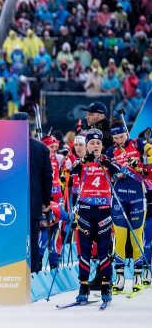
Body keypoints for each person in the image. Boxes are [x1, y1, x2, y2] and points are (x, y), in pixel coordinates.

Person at [70, 129, 120, 303]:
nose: (95, 145)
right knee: (84, 252)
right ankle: (83, 286)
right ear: (87, 146)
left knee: (103, 251)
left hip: (104, 211)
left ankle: (107, 284)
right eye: (92, 143)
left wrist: (106, 162)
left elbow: (119, 172)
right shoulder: (82, 162)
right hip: (85, 210)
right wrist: (85, 160)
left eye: (98, 143)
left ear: (102, 146)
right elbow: (71, 171)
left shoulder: (107, 161)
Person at [105, 119, 150, 293]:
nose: (119, 140)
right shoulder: (111, 150)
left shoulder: (138, 143)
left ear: (127, 133)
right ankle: (120, 278)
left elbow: (151, 153)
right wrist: (117, 174)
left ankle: (138, 277)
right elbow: (108, 173)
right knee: (121, 237)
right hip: (119, 196)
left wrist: (141, 162)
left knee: (136, 236)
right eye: (116, 138)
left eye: (122, 136)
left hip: (138, 195)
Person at [11, 112, 53, 272]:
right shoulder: (40, 147)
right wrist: (46, 201)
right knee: (32, 238)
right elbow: (47, 176)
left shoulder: (4, 146)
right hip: (33, 201)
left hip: (11, 201)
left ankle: (14, 270)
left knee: (14, 236)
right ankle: (33, 270)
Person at [38, 135, 68, 270]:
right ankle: (37, 262)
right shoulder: (40, 160)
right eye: (51, 148)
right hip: (46, 200)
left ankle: (54, 265)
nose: (54, 150)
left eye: (55, 148)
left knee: (55, 233)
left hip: (58, 199)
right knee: (44, 231)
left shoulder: (57, 159)